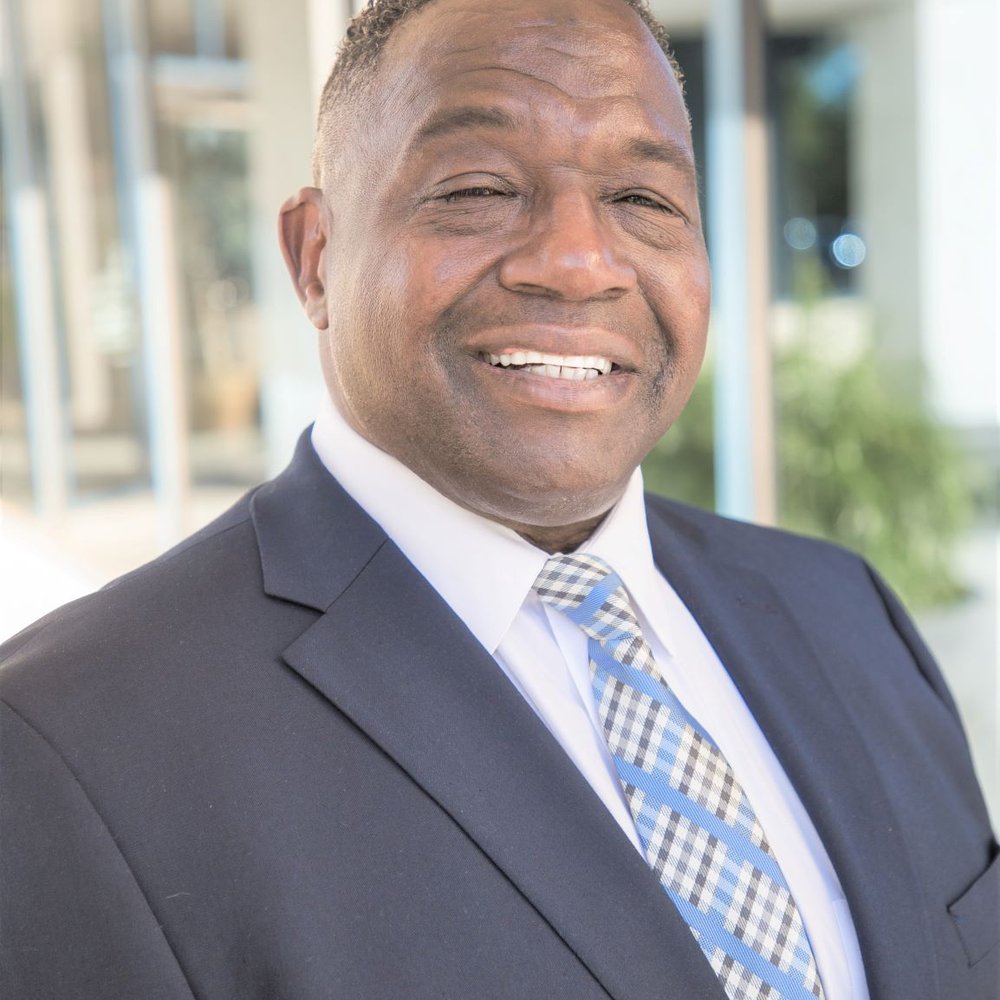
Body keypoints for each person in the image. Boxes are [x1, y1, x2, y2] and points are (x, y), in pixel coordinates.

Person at [1, 0, 995, 997]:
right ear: (315, 258)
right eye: (477, 188)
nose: (577, 262)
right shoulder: (70, 746)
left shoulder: (848, 614)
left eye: (641, 198)